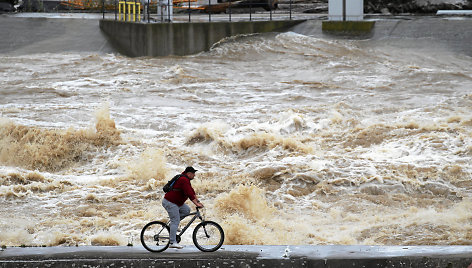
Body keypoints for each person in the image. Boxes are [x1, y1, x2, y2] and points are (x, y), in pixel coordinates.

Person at [162, 166, 204, 249]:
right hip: (170, 202)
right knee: (175, 220)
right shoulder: (183, 180)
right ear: (189, 174)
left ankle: (172, 225)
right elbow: (189, 193)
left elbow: (191, 191)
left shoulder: (185, 179)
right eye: (193, 173)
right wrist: (196, 204)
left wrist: (198, 201)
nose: (194, 175)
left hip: (176, 202)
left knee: (186, 210)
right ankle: (172, 242)